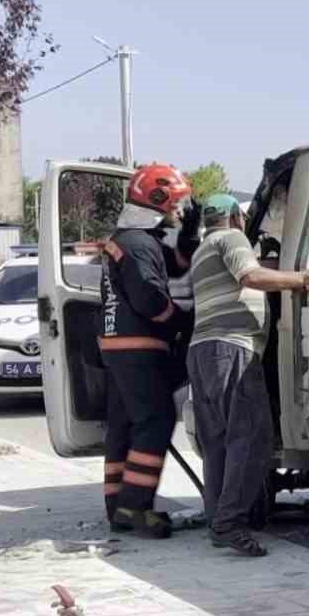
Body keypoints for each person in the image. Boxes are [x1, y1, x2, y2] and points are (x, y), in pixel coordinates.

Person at [186, 193, 309, 556]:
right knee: (252, 440)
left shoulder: (202, 250)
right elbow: (250, 276)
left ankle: (216, 520)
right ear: (236, 218)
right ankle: (230, 523)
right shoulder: (233, 239)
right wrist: (302, 277)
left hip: (202, 352)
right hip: (232, 349)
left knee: (218, 444)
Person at [99, 163, 201, 538]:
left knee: (125, 425)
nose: (180, 211)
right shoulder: (139, 243)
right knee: (156, 420)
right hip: (139, 346)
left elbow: (171, 268)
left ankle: (118, 507)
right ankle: (136, 506)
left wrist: (188, 237)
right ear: (158, 200)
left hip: (118, 346)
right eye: (177, 205)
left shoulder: (132, 239)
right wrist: (179, 320)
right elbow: (150, 296)